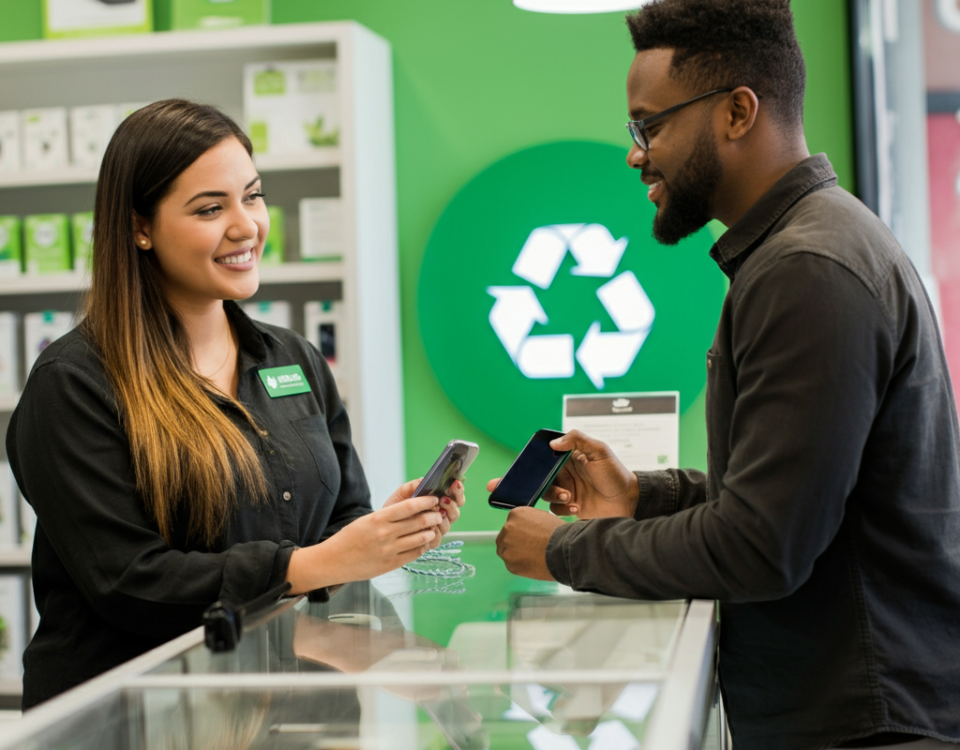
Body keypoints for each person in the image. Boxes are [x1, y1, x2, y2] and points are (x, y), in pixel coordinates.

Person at [492, 2, 960, 748]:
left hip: (866, 725)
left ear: (738, 112)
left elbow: (761, 546)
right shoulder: (804, 251)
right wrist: (643, 496)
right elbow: (802, 496)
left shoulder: (807, 269)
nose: (636, 154)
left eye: (650, 126)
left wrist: (560, 549)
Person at [6, 99, 464, 710]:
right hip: (132, 718)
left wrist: (382, 533)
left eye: (252, 196)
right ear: (139, 227)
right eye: (210, 208)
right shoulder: (74, 383)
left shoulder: (292, 361)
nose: (246, 225)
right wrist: (310, 564)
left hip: (285, 702)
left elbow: (335, 522)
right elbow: (128, 581)